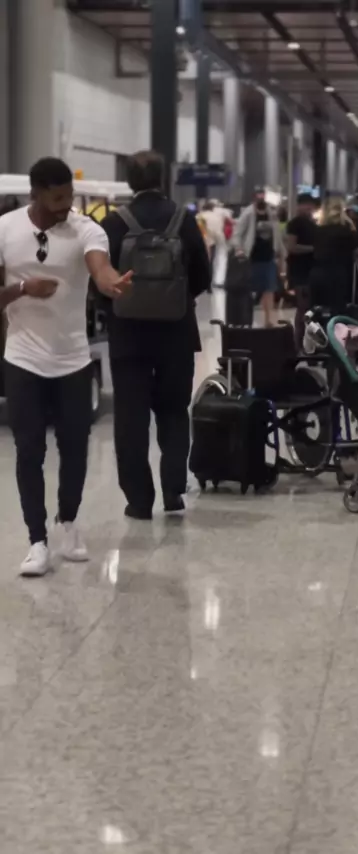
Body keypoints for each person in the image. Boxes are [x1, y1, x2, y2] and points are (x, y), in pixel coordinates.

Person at [0, 157, 132, 577]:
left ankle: (68, 521)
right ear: (36, 193)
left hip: (73, 359)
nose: (65, 206)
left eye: (69, 197)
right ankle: (36, 541)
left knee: (75, 448)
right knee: (29, 450)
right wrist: (23, 288)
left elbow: (99, 266)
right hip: (23, 358)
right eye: (57, 198)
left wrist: (109, 281)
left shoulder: (86, 229)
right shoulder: (5, 229)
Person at [100, 150, 211, 520]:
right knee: (174, 412)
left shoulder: (114, 223)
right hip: (175, 334)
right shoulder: (184, 220)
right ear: (164, 179)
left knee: (130, 419)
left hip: (128, 336)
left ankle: (138, 500)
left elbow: (99, 280)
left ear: (129, 181)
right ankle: (173, 491)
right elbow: (203, 276)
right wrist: (174, 298)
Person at [233, 188, 285, 327]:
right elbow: (237, 233)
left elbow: (277, 235)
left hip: (268, 257)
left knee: (269, 289)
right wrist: (239, 248)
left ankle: (268, 320)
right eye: (259, 196)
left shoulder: (271, 214)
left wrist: (281, 253)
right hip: (251, 258)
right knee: (250, 290)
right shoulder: (248, 213)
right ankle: (247, 319)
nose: (261, 199)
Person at [308, 197, 358, 315]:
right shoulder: (347, 230)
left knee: (317, 311)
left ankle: (318, 326)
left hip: (317, 273)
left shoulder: (317, 230)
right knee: (337, 310)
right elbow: (356, 250)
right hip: (338, 274)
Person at [286, 193, 318, 350]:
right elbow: (291, 247)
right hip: (299, 271)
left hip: (311, 270)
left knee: (310, 309)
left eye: (311, 205)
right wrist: (313, 249)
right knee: (303, 307)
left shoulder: (313, 224)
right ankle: (297, 344)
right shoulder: (295, 224)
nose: (309, 208)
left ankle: (308, 343)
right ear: (299, 206)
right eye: (306, 205)